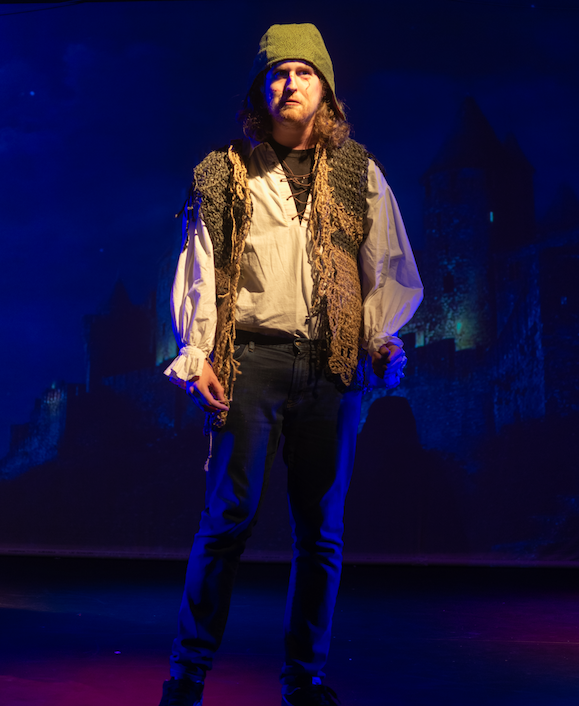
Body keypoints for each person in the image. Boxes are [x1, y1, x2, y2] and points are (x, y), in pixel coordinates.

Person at [159, 23, 423, 706]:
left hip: (328, 371)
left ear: (325, 90)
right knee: (227, 521)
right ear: (261, 89)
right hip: (250, 362)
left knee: (320, 533)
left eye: (305, 72)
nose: (290, 83)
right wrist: (197, 354)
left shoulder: (358, 173)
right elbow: (201, 272)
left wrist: (377, 335)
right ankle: (187, 674)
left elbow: (386, 268)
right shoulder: (224, 172)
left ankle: (303, 677)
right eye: (278, 73)